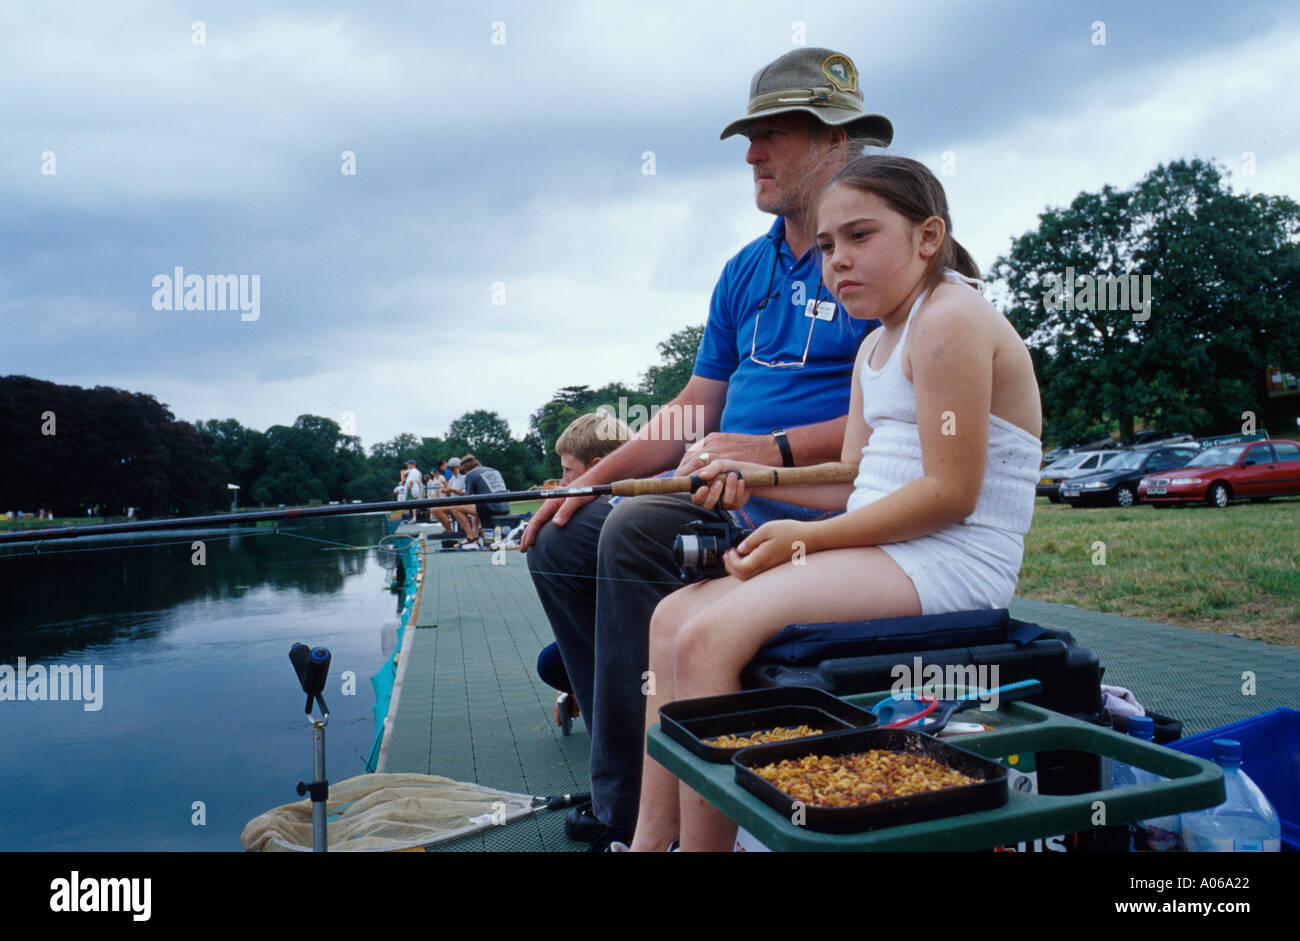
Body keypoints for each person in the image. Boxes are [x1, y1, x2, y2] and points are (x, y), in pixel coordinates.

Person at [521, 47, 893, 850]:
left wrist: (767, 450)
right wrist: (590, 484)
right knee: (563, 536)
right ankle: (615, 761)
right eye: (749, 138)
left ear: (837, 140)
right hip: (721, 494)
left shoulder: (876, 252)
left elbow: (898, 420)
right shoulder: (744, 269)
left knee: (632, 534)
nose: (752, 154)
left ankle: (625, 813)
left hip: (806, 510)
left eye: (773, 134)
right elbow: (693, 409)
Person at [627, 155, 1045, 851]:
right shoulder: (876, 344)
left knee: (708, 636)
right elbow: (856, 479)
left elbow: (951, 493)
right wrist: (755, 478)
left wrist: (811, 538)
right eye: (825, 246)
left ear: (927, 236)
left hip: (952, 559)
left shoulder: (951, 318)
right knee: (672, 617)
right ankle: (648, 841)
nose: (836, 262)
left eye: (859, 237)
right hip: (889, 547)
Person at [531, 411, 632, 744]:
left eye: (567, 471)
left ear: (597, 466)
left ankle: (610, 729)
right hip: (616, 634)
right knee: (552, 661)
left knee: (551, 662)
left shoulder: (614, 514)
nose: (562, 482)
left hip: (633, 643)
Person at [450, 455, 510, 547]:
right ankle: (475, 538)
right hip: (505, 507)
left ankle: (470, 537)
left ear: (465, 469)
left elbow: (467, 498)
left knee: (454, 507)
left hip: (491, 508)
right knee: (476, 505)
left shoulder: (471, 474)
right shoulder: (493, 470)